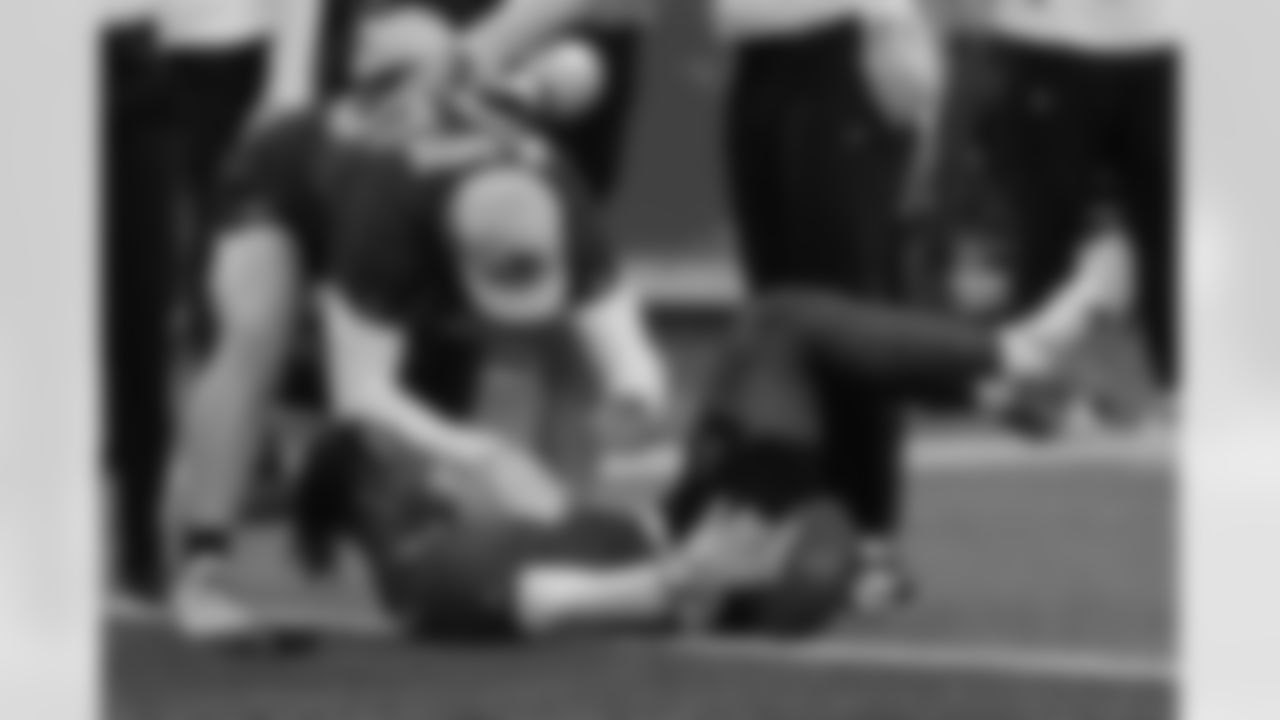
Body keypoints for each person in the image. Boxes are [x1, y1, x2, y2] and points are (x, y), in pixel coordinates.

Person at [162, 3, 669, 641]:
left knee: (567, 354)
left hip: (463, 129)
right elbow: (360, 394)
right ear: (449, 253)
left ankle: (559, 544)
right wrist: (486, 455)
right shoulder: (381, 213)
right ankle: (202, 572)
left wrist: (636, 400)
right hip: (280, 178)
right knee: (256, 332)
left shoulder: (564, 194)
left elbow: (629, 353)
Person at [285, 280, 1127, 641]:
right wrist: (682, 577)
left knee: (777, 344)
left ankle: (996, 383)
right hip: (720, 552)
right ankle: (1011, 357)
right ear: (374, 487)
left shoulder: (419, 559)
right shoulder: (434, 567)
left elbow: (547, 529)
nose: (428, 446)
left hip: (695, 531)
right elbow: (545, 600)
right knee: (782, 327)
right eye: (401, 444)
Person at [714, 0, 948, 616]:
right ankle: (794, 526)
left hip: (848, 42)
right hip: (755, 49)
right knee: (775, 314)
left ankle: (870, 537)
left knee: (844, 307)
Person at [938, 0, 1179, 395]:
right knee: (1043, 238)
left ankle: (1186, 389)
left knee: (1175, 235)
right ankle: (1030, 387)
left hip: (1168, 38)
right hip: (1048, 37)